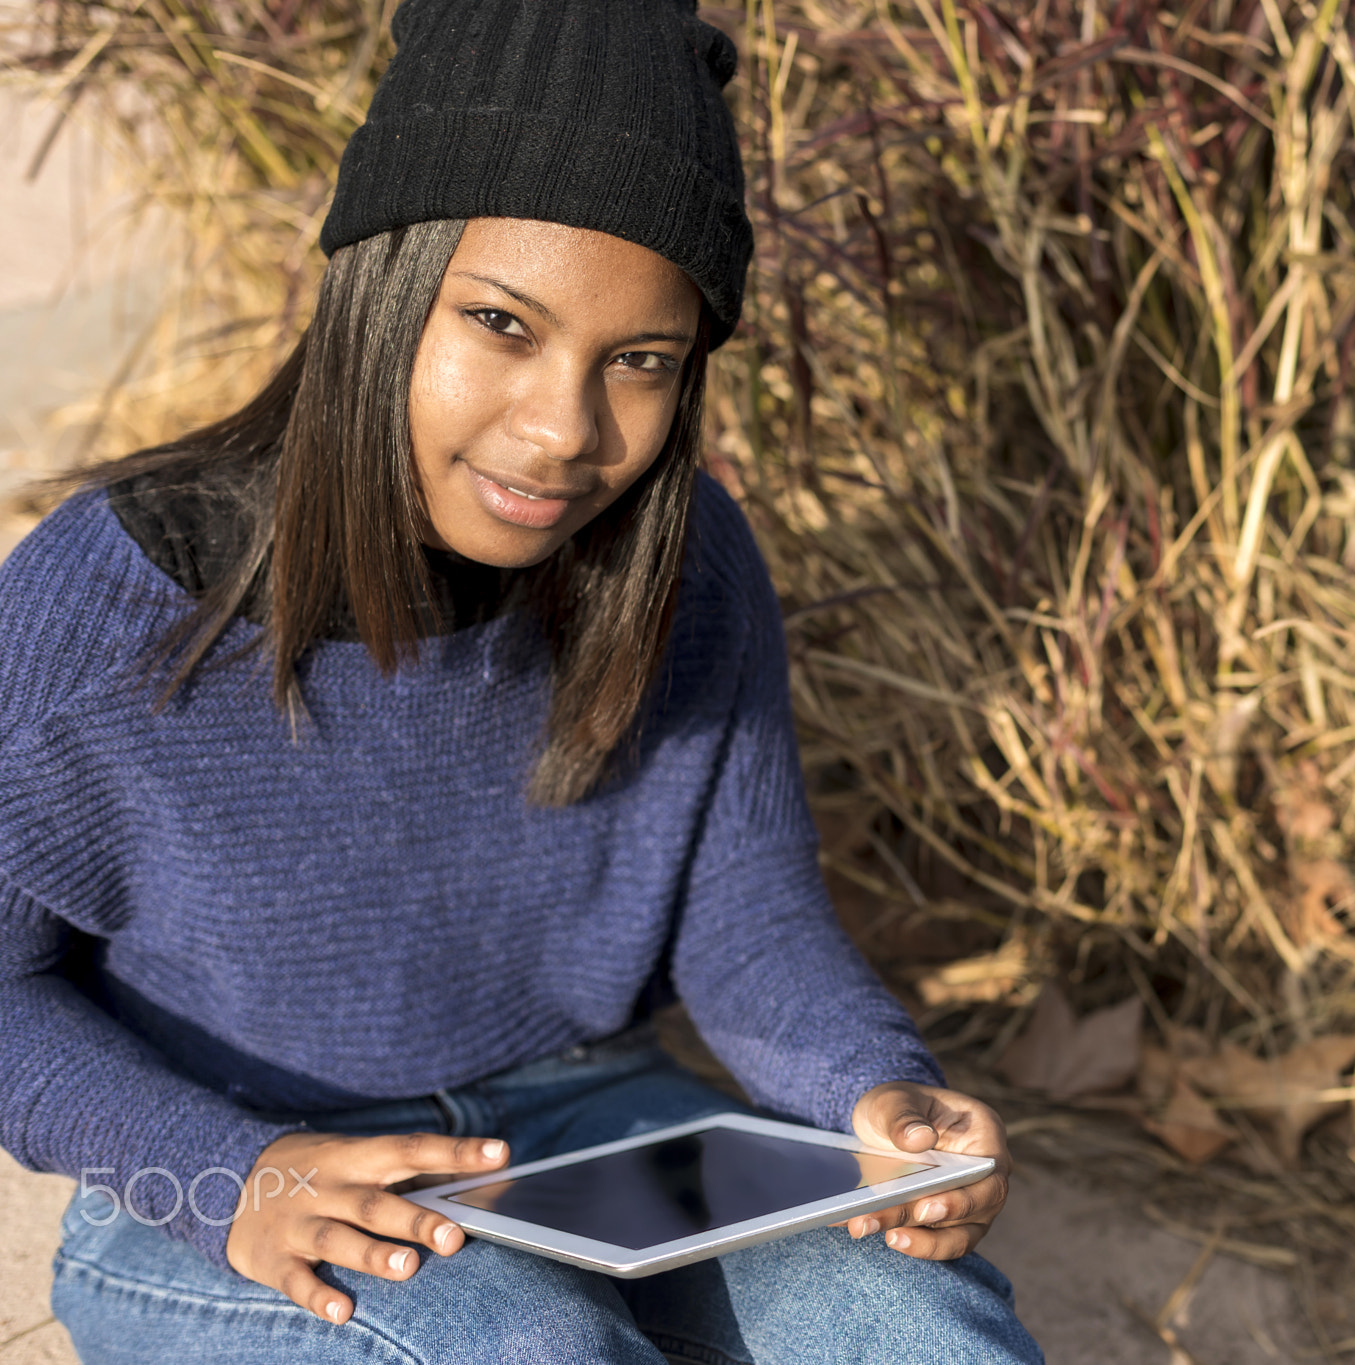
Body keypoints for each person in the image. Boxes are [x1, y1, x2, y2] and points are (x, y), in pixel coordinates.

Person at [0, 0, 1041, 1360]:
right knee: (531, 1347)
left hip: (591, 1121)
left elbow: (746, 919)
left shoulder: (686, 567)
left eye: (643, 363)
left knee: (913, 1318)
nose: (561, 430)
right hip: (236, 1173)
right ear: (379, 287)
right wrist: (220, 1169)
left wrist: (876, 1090)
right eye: (500, 322)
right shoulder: (116, 600)